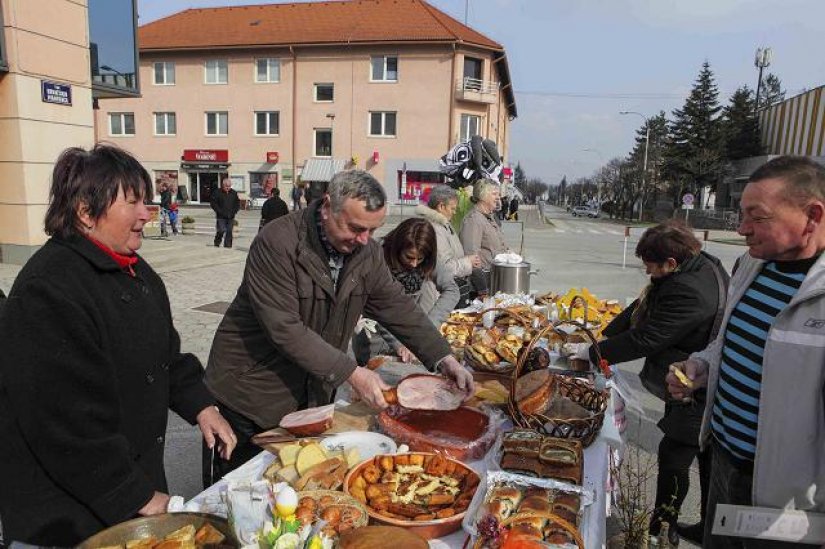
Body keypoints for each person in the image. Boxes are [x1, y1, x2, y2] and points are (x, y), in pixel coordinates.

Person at [0, 145, 236, 547]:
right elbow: (68, 423)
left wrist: (201, 404)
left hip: (122, 486)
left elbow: (167, 356)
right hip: (65, 513)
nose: (147, 213)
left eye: (146, 200)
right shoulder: (49, 289)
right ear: (85, 212)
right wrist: (137, 496)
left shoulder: (135, 271)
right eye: (133, 202)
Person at [203, 170, 474, 481]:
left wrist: (443, 357)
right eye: (356, 228)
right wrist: (352, 373)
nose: (364, 240)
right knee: (237, 491)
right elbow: (285, 328)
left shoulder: (367, 253)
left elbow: (397, 307)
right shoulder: (278, 242)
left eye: (373, 230)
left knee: (294, 488)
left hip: (309, 393)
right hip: (250, 394)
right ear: (328, 206)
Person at [667, 156, 825, 549]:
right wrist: (702, 365)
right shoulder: (751, 265)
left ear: (813, 215)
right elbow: (732, 341)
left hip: (788, 501)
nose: (742, 229)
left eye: (758, 217)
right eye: (741, 214)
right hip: (723, 458)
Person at [573, 220, 729, 546]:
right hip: (690, 378)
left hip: (697, 384)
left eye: (651, 267)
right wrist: (603, 335)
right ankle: (705, 524)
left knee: (675, 453)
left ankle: (662, 528)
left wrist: (592, 351)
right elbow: (642, 306)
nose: (647, 273)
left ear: (671, 263)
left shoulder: (691, 291)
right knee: (704, 456)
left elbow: (647, 337)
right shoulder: (689, 267)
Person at [352, 218, 460, 364]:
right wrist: (398, 344)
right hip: (374, 340)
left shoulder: (428, 260)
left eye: (419, 259)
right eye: (409, 257)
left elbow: (452, 289)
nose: (414, 264)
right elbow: (379, 306)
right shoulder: (377, 257)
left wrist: (429, 327)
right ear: (397, 248)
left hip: (412, 333)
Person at [416, 185, 481, 308]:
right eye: (452, 208)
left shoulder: (443, 224)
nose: (455, 212)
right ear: (441, 206)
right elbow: (443, 268)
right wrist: (468, 262)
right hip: (435, 298)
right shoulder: (434, 229)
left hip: (443, 293)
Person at [460, 179, 508, 295]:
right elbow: (471, 256)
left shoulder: (489, 217)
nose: (498, 198)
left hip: (494, 281)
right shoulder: (474, 220)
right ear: (483, 196)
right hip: (480, 286)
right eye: (494, 194)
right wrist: (482, 288)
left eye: (499, 194)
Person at [210, 177, 240, 248]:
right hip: (221, 216)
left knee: (229, 231)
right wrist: (219, 211)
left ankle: (228, 245)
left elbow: (237, 203)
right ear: (223, 185)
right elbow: (213, 203)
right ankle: (217, 241)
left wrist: (235, 211)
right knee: (221, 230)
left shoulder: (233, 193)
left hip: (231, 216)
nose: (228, 188)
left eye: (229, 186)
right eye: (226, 186)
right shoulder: (217, 192)